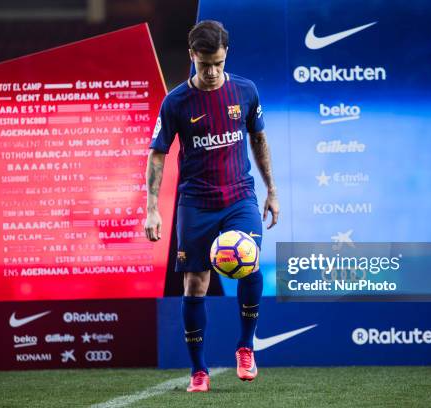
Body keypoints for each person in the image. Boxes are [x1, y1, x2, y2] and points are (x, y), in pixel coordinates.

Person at [145, 20, 279, 393]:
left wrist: (272, 190)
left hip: (239, 197)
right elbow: (158, 155)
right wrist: (152, 207)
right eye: (204, 65)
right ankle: (199, 371)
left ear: (225, 55)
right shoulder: (175, 102)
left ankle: (245, 346)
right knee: (195, 282)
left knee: (248, 258)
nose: (212, 72)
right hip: (197, 203)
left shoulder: (245, 91)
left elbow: (260, 140)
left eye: (218, 63)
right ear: (192, 57)